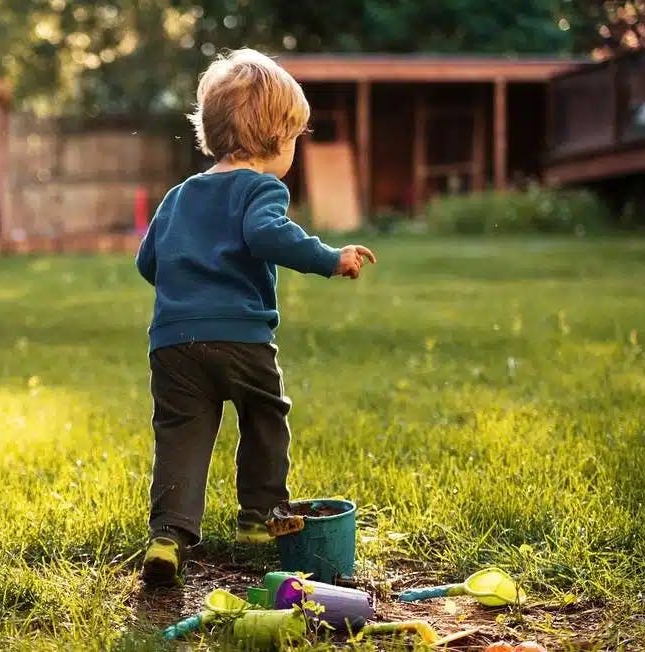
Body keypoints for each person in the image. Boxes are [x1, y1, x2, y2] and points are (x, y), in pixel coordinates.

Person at [135, 48, 377, 587]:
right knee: (265, 414)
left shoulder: (177, 196)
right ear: (275, 140)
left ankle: (168, 539)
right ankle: (258, 518)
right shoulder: (262, 188)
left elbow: (147, 261)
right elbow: (267, 234)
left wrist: (188, 293)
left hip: (173, 342)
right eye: (295, 138)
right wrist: (329, 258)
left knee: (181, 434)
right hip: (240, 337)